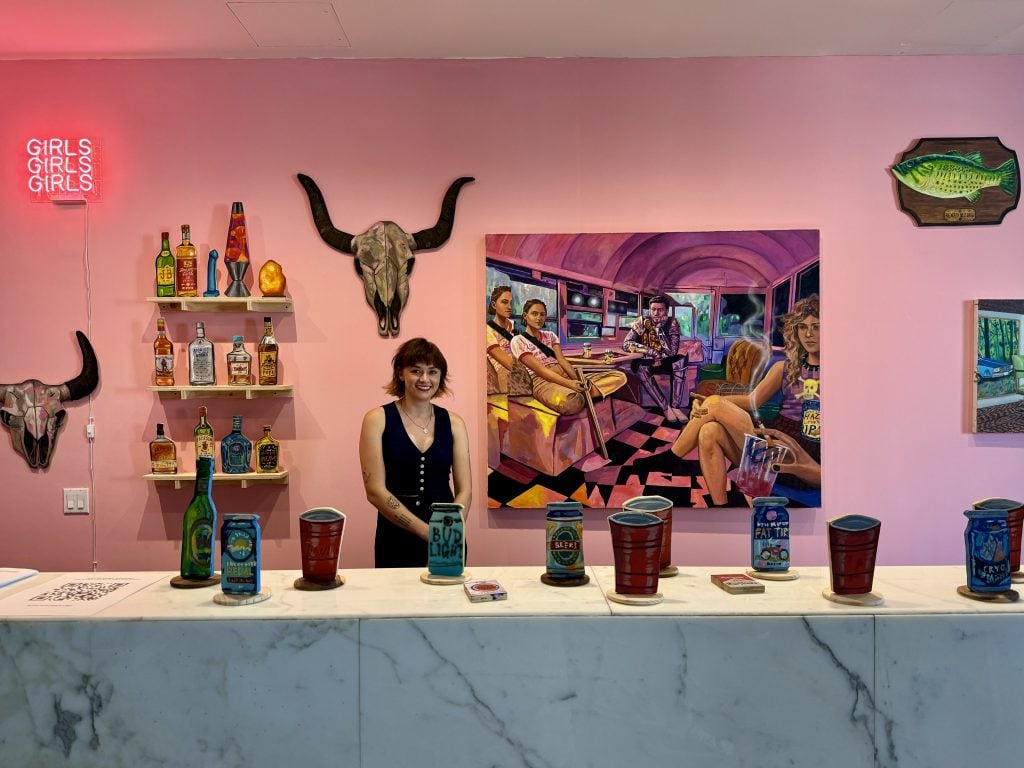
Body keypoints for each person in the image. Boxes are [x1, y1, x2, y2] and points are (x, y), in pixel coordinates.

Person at [669, 294, 821, 505]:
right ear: (795, 331)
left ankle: (670, 458)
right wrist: (707, 404)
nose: (809, 334)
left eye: (817, 326)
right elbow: (752, 401)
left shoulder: (838, 375)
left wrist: (709, 403)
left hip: (802, 450)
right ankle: (720, 506)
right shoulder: (783, 368)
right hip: (774, 436)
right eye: (803, 327)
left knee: (713, 402)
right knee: (708, 431)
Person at [359, 338, 472, 567]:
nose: (424, 379)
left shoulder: (454, 423)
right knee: (398, 601)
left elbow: (465, 489)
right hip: (394, 537)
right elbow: (375, 491)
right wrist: (428, 532)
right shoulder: (377, 419)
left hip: (446, 534)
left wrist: (449, 529)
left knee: (447, 599)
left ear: (440, 377)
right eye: (416, 371)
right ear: (401, 374)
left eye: (432, 371)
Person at [510, 299, 626, 415]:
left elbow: (562, 361)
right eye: (534, 314)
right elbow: (541, 370)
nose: (539, 318)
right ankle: (583, 394)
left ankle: (582, 392)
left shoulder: (550, 336)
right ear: (525, 316)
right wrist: (569, 384)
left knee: (620, 376)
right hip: (541, 380)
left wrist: (577, 380)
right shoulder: (518, 340)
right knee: (572, 402)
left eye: (542, 314)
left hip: (563, 372)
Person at [623, 295, 689, 422]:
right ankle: (665, 407)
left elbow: (672, 351)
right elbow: (626, 344)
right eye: (653, 309)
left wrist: (659, 330)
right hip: (647, 359)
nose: (656, 313)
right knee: (638, 366)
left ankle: (675, 406)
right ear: (649, 309)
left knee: (681, 360)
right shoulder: (641, 321)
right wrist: (651, 351)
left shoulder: (672, 322)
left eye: (660, 310)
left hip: (665, 360)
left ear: (666, 311)